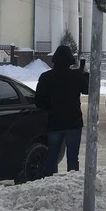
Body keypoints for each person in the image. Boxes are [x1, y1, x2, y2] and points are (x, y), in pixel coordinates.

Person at [34, 45, 89, 176]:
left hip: (54, 122)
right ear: (70, 60)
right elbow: (87, 89)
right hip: (73, 122)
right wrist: (85, 74)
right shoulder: (75, 76)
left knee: (52, 155)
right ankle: (72, 179)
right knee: (73, 157)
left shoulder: (46, 77)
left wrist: (50, 108)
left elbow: (39, 101)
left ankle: (52, 180)